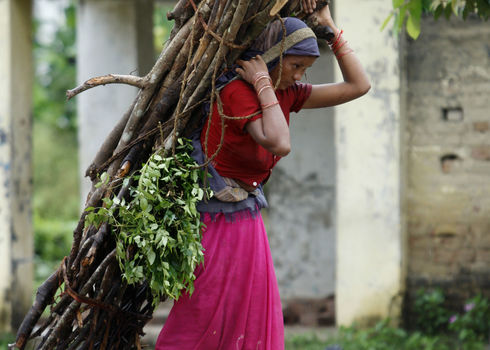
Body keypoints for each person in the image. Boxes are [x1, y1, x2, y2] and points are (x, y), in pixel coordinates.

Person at [155, 3, 370, 349]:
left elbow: (358, 86)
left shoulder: (284, 92)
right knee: (205, 310)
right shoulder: (235, 91)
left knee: (249, 309)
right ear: (271, 56)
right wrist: (260, 81)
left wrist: (330, 30)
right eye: (296, 65)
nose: (300, 75)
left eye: (306, 68)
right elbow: (279, 142)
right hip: (213, 222)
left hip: (246, 216)